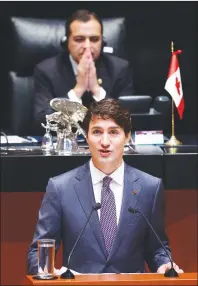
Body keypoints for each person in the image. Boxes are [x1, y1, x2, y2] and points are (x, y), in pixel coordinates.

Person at [27, 99, 183, 275]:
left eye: (114, 132)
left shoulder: (150, 187)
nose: (105, 141)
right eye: (97, 132)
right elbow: (37, 252)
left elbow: (157, 249)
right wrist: (48, 271)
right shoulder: (61, 188)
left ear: (127, 136)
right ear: (86, 137)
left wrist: (164, 265)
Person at [33, 9, 134, 134]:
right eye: (79, 39)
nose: (87, 46)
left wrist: (97, 90)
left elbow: (126, 121)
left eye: (94, 39)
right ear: (66, 42)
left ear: (103, 42)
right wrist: (78, 90)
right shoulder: (46, 70)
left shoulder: (120, 69)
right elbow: (42, 122)